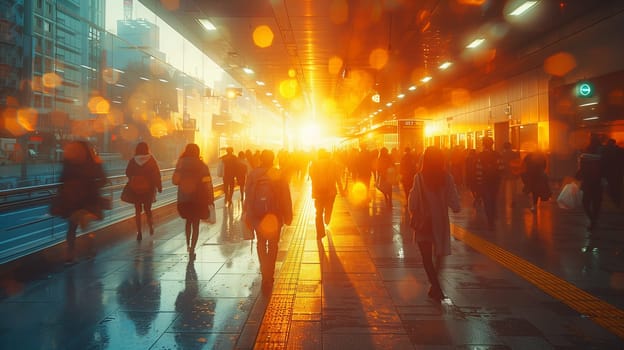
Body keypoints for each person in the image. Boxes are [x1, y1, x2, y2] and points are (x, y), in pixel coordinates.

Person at [408, 146, 460, 301]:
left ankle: (436, 287)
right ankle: (435, 286)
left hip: (425, 223)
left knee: (426, 257)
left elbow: (412, 203)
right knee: (439, 255)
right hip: (441, 223)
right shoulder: (447, 178)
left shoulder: (419, 178)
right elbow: (455, 204)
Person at [244, 149, 293, 294]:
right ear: (273, 159)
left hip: (257, 214)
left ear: (260, 159)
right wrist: (288, 214)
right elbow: (285, 196)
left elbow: (247, 194)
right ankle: (269, 274)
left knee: (261, 243)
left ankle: (264, 270)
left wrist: (247, 213)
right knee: (273, 244)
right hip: (274, 215)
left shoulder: (253, 174)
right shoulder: (278, 173)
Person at [52, 141, 108, 264]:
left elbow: (62, 179)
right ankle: (89, 251)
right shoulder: (93, 162)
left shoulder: (68, 163)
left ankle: (70, 256)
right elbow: (104, 180)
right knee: (86, 226)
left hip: (71, 201)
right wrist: (92, 186)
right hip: (88, 201)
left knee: (72, 228)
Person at [173, 144, 215, 260]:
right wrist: (210, 199)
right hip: (198, 199)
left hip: (184, 198)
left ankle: (188, 245)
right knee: (195, 224)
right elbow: (207, 184)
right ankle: (192, 249)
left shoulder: (180, 163)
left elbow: (175, 181)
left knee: (188, 222)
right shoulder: (202, 166)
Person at [124, 142, 162, 241]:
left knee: (137, 210)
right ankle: (150, 226)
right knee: (147, 209)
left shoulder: (133, 160)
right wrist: (159, 186)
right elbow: (156, 174)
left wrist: (134, 178)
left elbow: (127, 172)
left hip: (135, 189)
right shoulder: (151, 159)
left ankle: (139, 232)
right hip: (148, 189)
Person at [308, 148, 343, 240]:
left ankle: (320, 232)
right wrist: (341, 189)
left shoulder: (313, 164)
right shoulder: (333, 163)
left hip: (318, 192)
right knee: (329, 207)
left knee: (318, 213)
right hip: (330, 191)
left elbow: (311, 176)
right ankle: (327, 218)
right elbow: (338, 177)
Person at [576, 134, 604, 231]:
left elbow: (581, 169)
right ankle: (594, 220)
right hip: (598, 182)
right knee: (596, 203)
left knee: (586, 202)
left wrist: (578, 175)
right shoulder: (602, 151)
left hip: (587, 182)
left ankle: (593, 220)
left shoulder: (585, 153)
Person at [475, 137, 504, 229]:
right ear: (492, 144)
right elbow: (501, 168)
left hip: (484, 182)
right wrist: (499, 179)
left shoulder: (480, 155)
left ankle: (490, 221)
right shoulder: (497, 155)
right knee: (493, 199)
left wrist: (479, 182)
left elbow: (478, 170)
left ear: (483, 144)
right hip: (495, 182)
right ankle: (494, 216)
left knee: (487, 201)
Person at [500, 141, 521, 207]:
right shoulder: (514, 154)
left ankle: (502, 200)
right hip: (512, 172)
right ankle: (513, 200)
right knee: (513, 188)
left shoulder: (501, 154)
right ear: (510, 146)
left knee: (502, 187)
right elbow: (518, 163)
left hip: (504, 172)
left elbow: (500, 164)